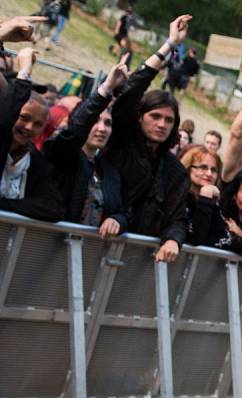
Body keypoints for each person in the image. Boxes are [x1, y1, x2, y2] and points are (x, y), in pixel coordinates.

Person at [103, 14, 194, 263]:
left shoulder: (174, 170)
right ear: (140, 116)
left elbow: (177, 216)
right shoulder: (122, 140)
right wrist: (170, 45)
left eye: (169, 120)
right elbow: (132, 93)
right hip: (97, 243)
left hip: (137, 261)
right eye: (155, 116)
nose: (162, 124)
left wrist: (174, 239)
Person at [45, 59, 130, 237]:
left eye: (108, 123)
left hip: (87, 256)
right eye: (95, 121)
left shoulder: (109, 172)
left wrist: (117, 220)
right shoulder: (63, 156)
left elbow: (123, 211)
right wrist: (106, 87)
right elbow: (75, 131)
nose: (102, 128)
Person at [0, 47, 64, 222]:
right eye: (23, 118)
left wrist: (5, 206)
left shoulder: (35, 161)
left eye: (37, 124)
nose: (28, 127)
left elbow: (54, 208)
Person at [179, 145, 226, 246]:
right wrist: (205, 197)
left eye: (213, 170)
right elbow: (195, 239)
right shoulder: (178, 198)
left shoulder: (213, 198)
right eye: (203, 167)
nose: (209, 174)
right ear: (188, 168)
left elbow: (223, 239)